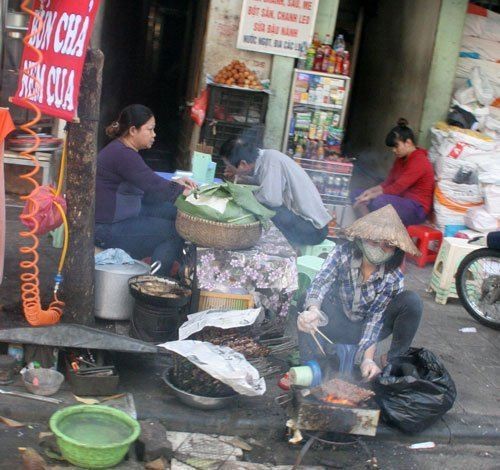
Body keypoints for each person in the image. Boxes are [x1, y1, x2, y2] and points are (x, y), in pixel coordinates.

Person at [297, 205, 423, 382]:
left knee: (412, 301)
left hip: (364, 331)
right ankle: (311, 364)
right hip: (336, 323)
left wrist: (367, 359)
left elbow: (376, 319)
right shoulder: (343, 253)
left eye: (387, 246)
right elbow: (321, 281)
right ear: (361, 239)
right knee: (306, 299)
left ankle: (392, 363)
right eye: (373, 242)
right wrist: (312, 311)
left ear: (396, 251)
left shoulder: (393, 276)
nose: (379, 249)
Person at [94, 104, 197, 275]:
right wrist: (183, 191)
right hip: (106, 228)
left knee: (174, 214)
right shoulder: (123, 154)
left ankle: (155, 270)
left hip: (122, 217)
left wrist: (175, 182)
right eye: (150, 129)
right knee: (174, 231)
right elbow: (153, 186)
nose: (154, 134)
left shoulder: (122, 150)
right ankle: (154, 281)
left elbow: (145, 178)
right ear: (133, 130)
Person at [220, 137, 330, 245]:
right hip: (304, 222)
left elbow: (271, 200)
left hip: (313, 229)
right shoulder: (265, 158)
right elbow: (264, 186)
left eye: (229, 166)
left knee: (263, 208)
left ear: (243, 164)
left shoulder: (271, 162)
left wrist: (242, 196)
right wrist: (241, 178)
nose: (228, 169)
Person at [352, 118, 434, 226]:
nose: (394, 150)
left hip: (416, 208)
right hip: (400, 201)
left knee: (380, 201)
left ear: (408, 142)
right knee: (357, 194)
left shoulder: (420, 161)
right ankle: (368, 230)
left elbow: (397, 188)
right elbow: (388, 183)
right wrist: (369, 192)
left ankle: (373, 233)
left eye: (396, 146)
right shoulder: (400, 159)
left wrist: (372, 196)